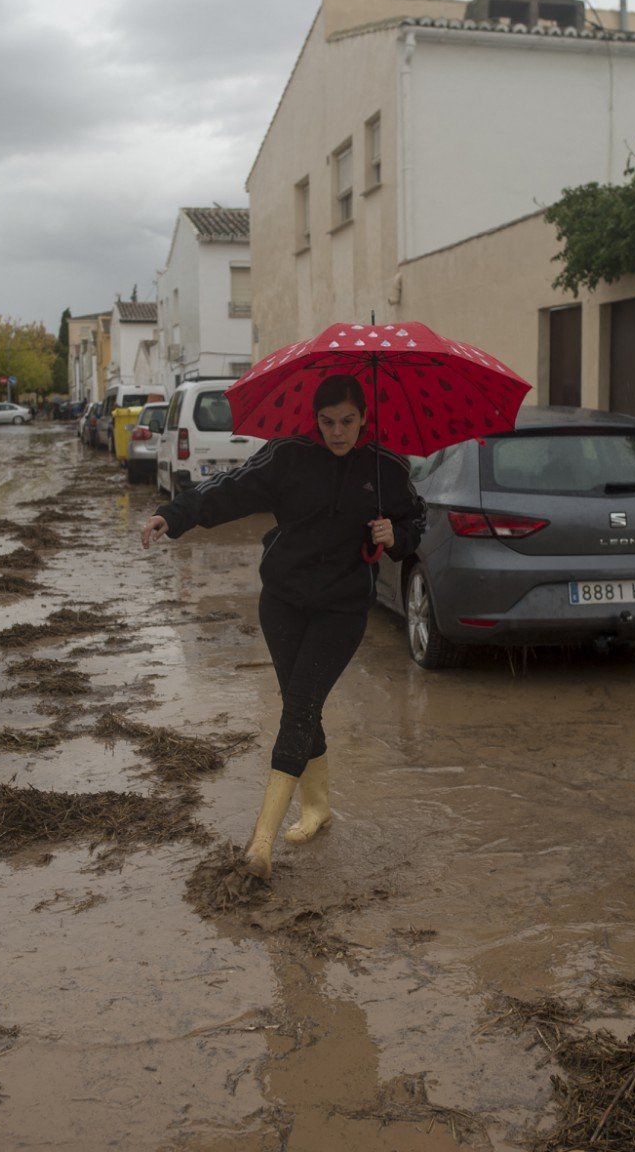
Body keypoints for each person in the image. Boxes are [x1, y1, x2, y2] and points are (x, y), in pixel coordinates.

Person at [139, 374, 425, 880]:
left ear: (364, 419)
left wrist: (394, 533)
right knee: (300, 702)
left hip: (342, 610)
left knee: (298, 708)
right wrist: (173, 515)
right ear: (315, 420)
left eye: (348, 422)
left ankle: (260, 845)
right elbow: (229, 491)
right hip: (283, 603)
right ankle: (317, 808)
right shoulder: (288, 456)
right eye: (327, 422)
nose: (338, 432)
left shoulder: (387, 470)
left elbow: (415, 524)